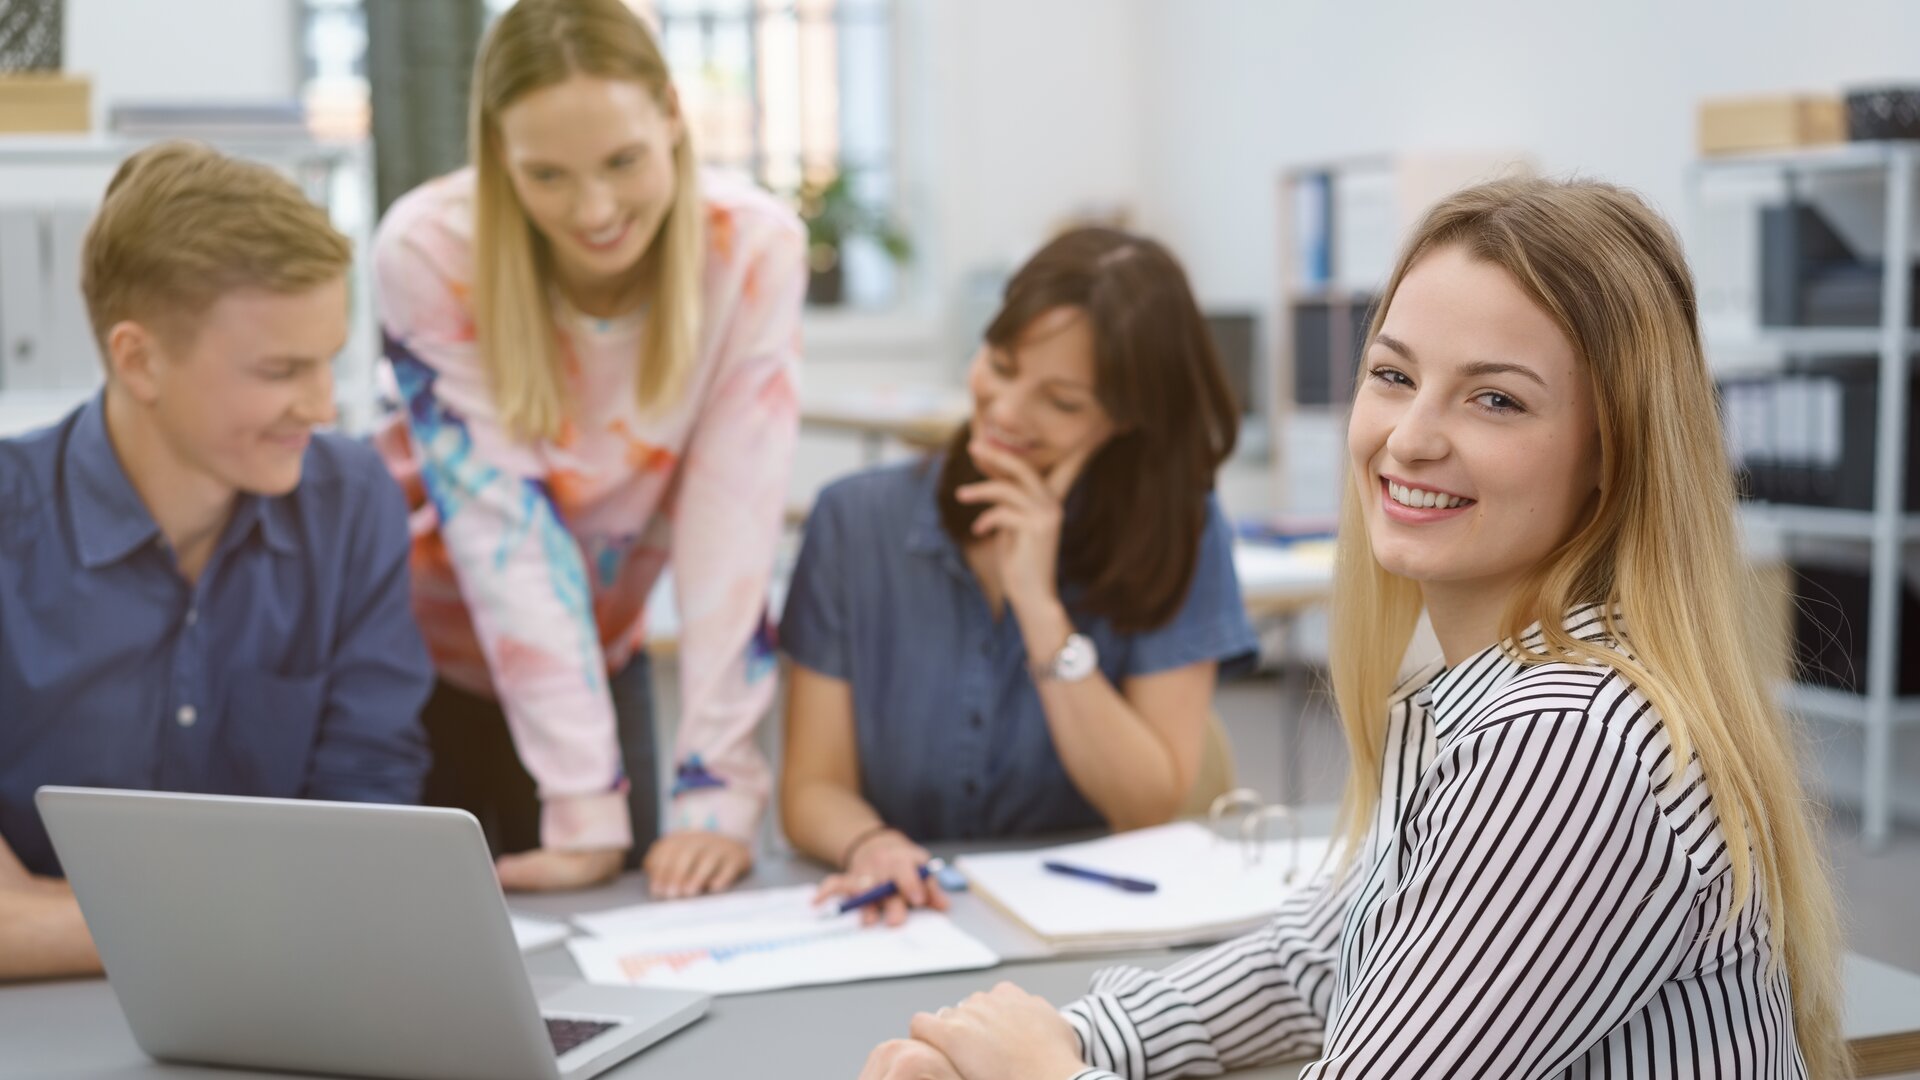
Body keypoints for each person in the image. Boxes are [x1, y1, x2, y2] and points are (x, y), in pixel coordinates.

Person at [858, 177, 1849, 1079]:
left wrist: (1042, 1075)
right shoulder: (1492, 697)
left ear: (1612, 452)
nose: (1410, 437)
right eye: (1392, 375)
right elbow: (1318, 958)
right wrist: (1067, 1039)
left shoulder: (1568, 743)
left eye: (1495, 398)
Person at [374, 0, 805, 896]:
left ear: (673, 117)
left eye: (622, 161)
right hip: (421, 671)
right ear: (497, 152)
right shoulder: (428, 249)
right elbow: (507, 540)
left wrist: (717, 793)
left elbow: (733, 531)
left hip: (603, 658)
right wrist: (581, 802)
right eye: (549, 175)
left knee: (632, 934)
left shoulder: (752, 249)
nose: (597, 209)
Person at [0, 140, 432, 982]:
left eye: (328, 359)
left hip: (283, 1004)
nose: (320, 404)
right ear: (139, 359)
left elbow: (368, 853)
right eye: (280, 370)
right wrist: (261, 919)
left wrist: (57, 921)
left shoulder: (351, 504)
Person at [782, 227, 1257, 925]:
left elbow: (1146, 805)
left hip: (1091, 926)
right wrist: (871, 844)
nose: (1006, 412)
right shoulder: (853, 522)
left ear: (1126, 419)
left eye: (1061, 402)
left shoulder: (1180, 531)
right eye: (1001, 366)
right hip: (907, 919)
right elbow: (811, 787)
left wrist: (1040, 609)